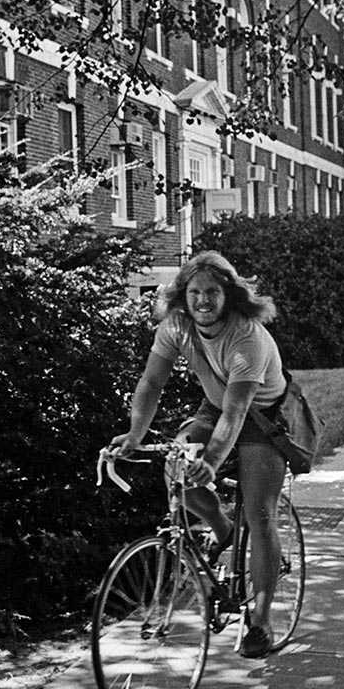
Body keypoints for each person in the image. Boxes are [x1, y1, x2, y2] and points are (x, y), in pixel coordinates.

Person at [110, 251, 288, 659]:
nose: (203, 301)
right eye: (194, 292)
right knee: (177, 467)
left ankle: (260, 622)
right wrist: (135, 434)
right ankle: (223, 530)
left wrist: (211, 460)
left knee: (260, 514)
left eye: (212, 292)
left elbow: (239, 410)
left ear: (228, 295)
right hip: (217, 405)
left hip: (265, 417)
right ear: (183, 297)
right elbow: (151, 380)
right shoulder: (177, 326)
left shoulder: (247, 335)